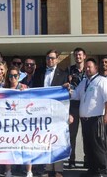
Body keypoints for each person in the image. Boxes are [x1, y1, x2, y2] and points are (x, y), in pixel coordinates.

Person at [71, 58, 107, 177]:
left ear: (96, 68)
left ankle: (101, 171)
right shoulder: (84, 82)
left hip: (97, 118)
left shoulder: (102, 81)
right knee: (88, 145)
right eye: (86, 68)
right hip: (85, 120)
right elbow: (75, 95)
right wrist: (67, 89)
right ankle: (92, 170)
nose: (87, 69)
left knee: (98, 145)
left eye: (90, 67)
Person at [33, 49, 68, 177]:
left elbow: (67, 95)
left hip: (57, 112)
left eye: (52, 58)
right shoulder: (39, 73)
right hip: (42, 112)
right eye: (48, 58)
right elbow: (34, 90)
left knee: (58, 140)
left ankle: (58, 169)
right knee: (45, 139)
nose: (50, 60)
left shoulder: (64, 74)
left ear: (57, 59)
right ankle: (48, 168)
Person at [3, 66, 30, 177]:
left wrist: (26, 92)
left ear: (19, 77)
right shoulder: (4, 89)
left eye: (15, 75)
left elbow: (33, 100)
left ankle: (29, 171)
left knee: (27, 147)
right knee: (8, 147)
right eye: (11, 75)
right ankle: (8, 171)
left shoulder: (25, 87)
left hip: (23, 123)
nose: (13, 77)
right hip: (8, 123)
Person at [67, 47, 87, 169]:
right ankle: (71, 159)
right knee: (72, 134)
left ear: (84, 56)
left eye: (80, 55)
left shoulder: (89, 69)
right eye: (76, 55)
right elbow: (65, 86)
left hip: (86, 105)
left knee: (86, 134)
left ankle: (87, 158)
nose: (78, 57)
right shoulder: (70, 70)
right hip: (73, 105)